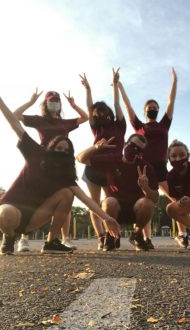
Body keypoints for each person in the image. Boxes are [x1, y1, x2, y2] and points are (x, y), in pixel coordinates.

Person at [0, 97, 120, 255]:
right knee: (6, 213)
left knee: (67, 194)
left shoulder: (64, 176)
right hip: (12, 210)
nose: (61, 152)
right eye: (59, 148)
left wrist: (106, 218)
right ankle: (9, 238)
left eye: (66, 151)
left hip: (35, 217)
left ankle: (51, 242)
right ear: (51, 147)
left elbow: (86, 199)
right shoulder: (35, 152)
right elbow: (14, 123)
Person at [13, 87, 89, 252]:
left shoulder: (64, 123)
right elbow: (15, 115)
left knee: (67, 196)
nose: (54, 103)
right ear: (45, 104)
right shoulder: (40, 120)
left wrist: (74, 105)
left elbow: (85, 117)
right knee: (34, 196)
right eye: (51, 100)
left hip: (61, 164)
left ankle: (64, 238)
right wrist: (31, 101)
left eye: (57, 101)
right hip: (41, 161)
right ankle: (23, 239)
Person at [117, 67, 186, 248]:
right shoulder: (138, 125)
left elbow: (171, 101)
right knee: (145, 201)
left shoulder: (164, 124)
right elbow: (128, 106)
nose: (153, 109)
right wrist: (119, 85)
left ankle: (182, 234)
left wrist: (175, 82)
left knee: (176, 199)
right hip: (143, 168)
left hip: (161, 167)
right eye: (150, 108)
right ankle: (145, 238)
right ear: (145, 110)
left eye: (155, 108)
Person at [76, 133, 159, 251]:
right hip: (115, 210)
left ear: (142, 153)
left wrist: (146, 188)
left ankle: (137, 234)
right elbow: (80, 158)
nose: (134, 150)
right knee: (109, 202)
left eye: (139, 150)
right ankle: (111, 236)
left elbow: (155, 198)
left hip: (136, 211)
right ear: (125, 144)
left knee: (147, 203)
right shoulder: (112, 159)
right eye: (132, 146)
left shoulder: (146, 167)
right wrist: (96, 147)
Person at [79, 68, 126, 250]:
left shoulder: (120, 125)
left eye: (105, 111)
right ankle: (102, 236)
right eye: (99, 112)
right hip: (93, 165)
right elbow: (89, 109)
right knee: (94, 203)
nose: (102, 114)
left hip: (112, 167)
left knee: (110, 203)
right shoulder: (96, 128)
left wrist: (115, 85)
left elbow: (116, 104)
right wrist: (88, 90)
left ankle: (113, 234)